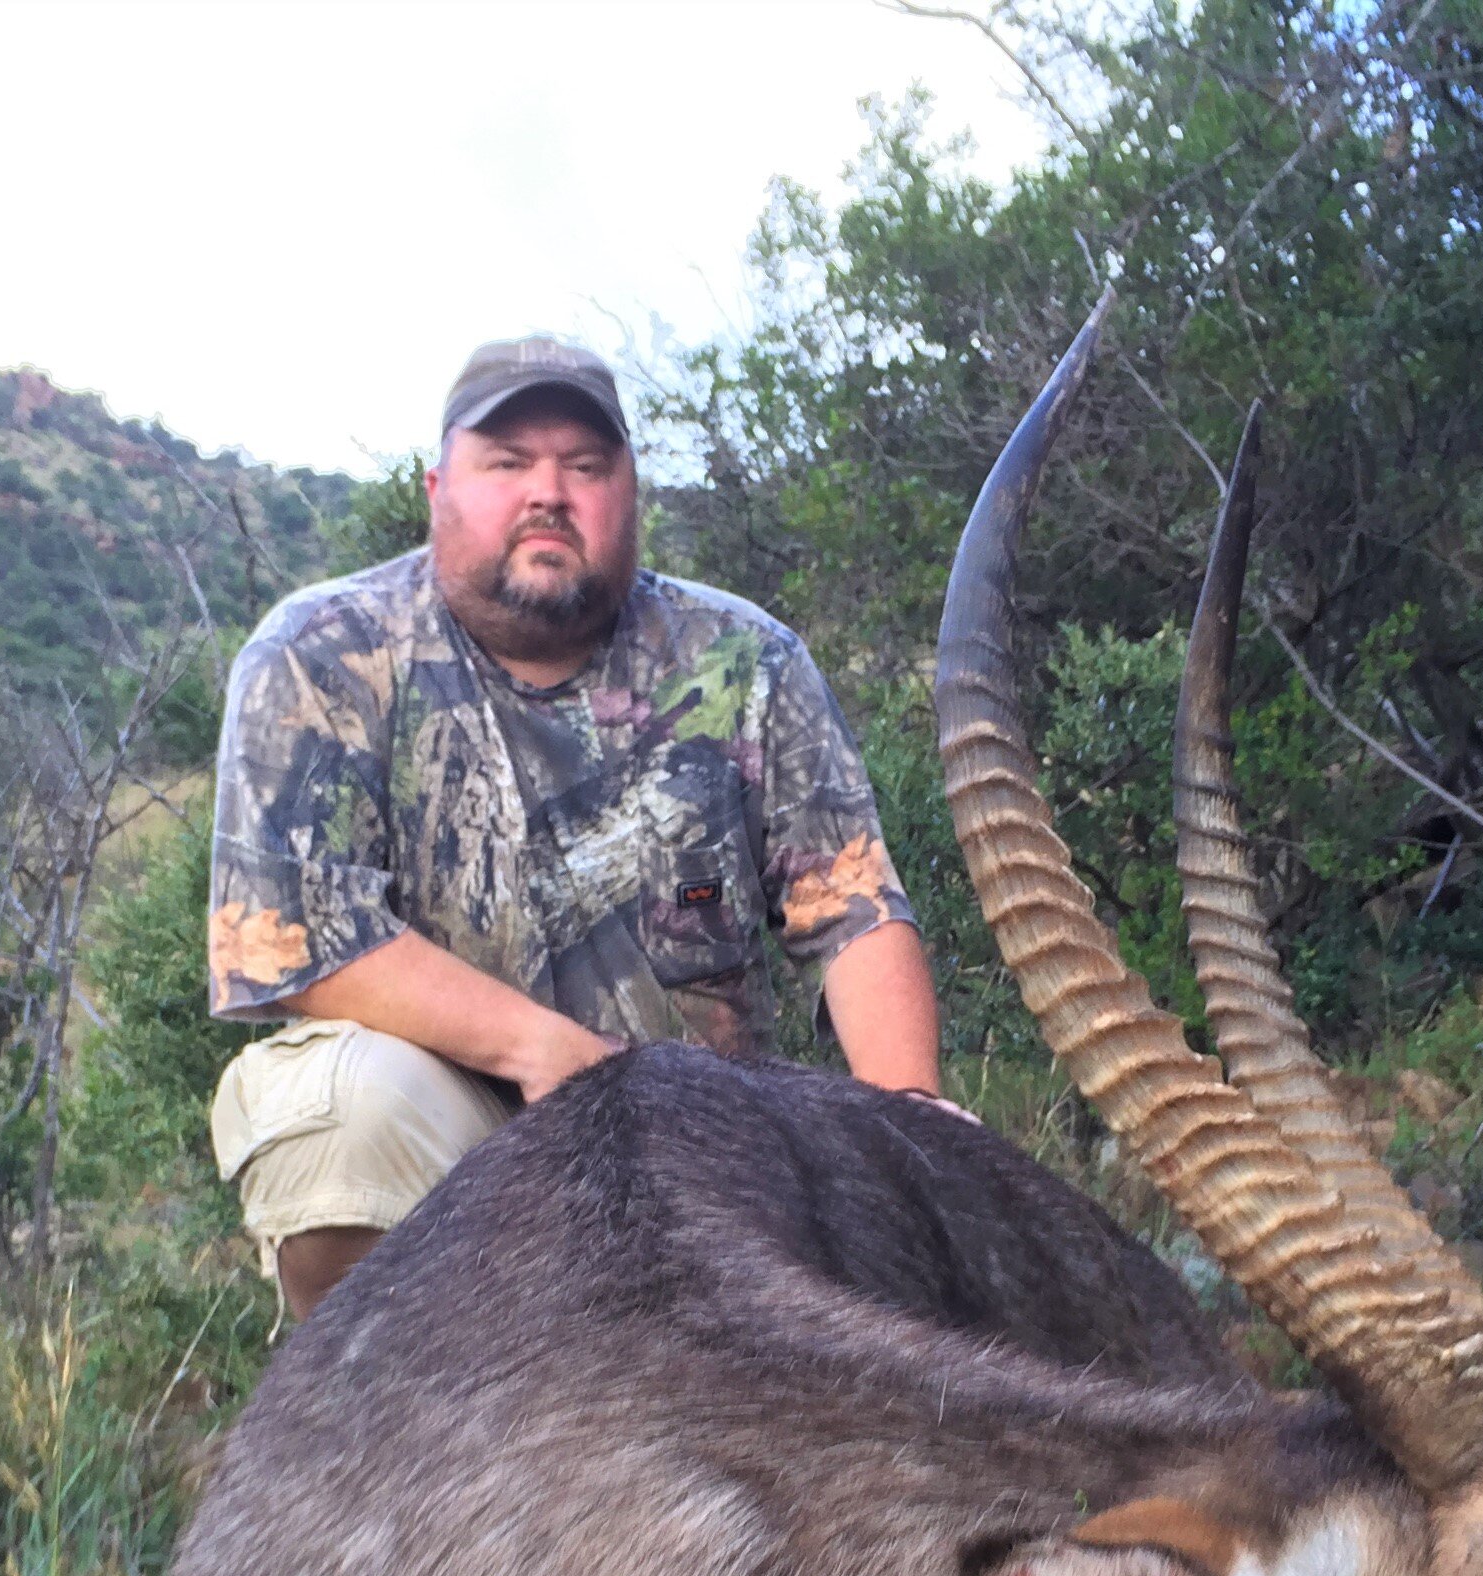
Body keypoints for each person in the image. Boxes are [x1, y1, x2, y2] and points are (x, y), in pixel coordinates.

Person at [203, 333, 945, 1317]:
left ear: (630, 494)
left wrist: (916, 1121)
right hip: (456, 1132)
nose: (548, 492)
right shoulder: (319, 656)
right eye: (507, 463)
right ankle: (404, 1441)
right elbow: (291, 937)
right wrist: (541, 1051)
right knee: (343, 1115)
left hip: (706, 1143)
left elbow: (851, 909)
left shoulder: (746, 661)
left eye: (584, 467)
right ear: (438, 489)